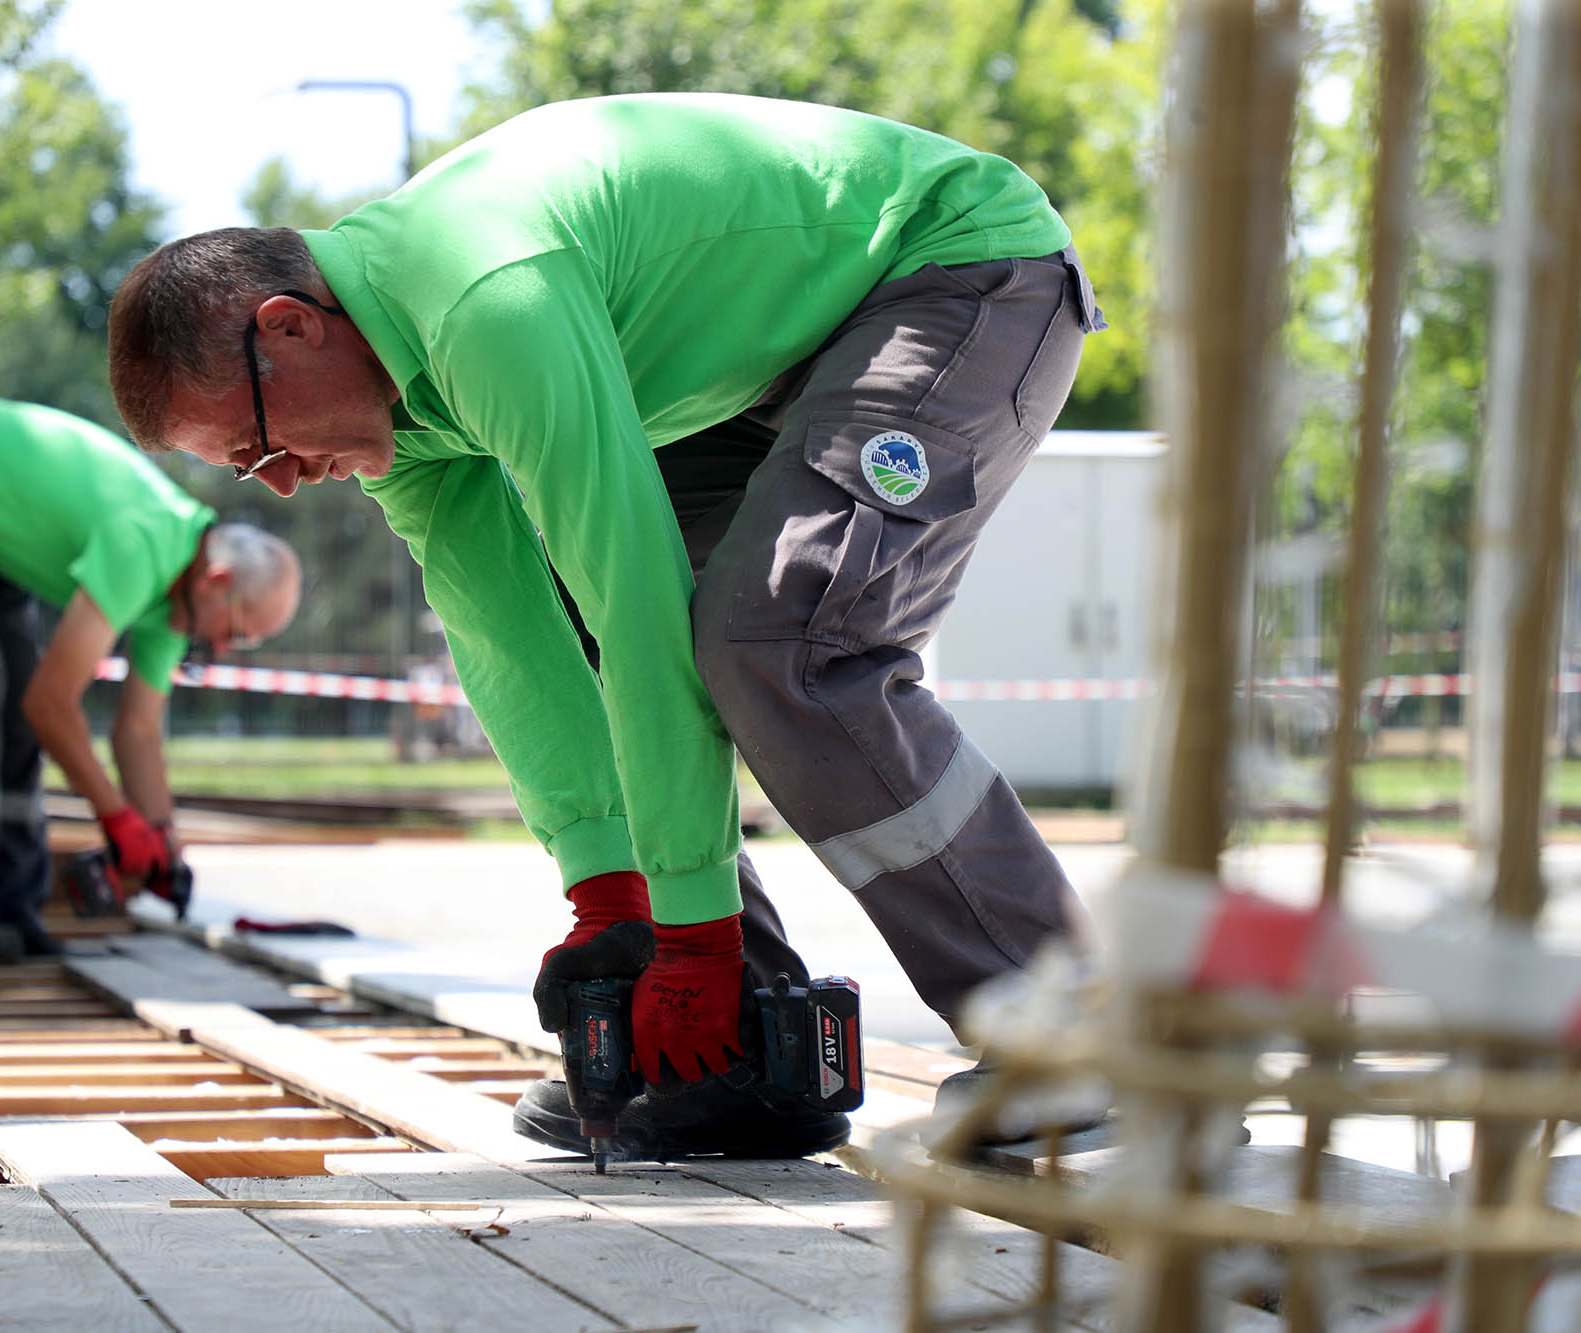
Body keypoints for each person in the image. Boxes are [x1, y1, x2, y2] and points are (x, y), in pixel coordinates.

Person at [106, 93, 1107, 1155]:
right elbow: (516, 654)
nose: (282, 488)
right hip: (779, 360)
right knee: (606, 636)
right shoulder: (404, 414)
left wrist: (692, 932)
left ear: (289, 326)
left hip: (951, 269)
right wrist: (608, 892)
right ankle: (739, 1058)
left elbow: (631, 591)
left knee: (780, 641)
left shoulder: (483, 299)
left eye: (258, 450)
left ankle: (1075, 1037)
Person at [0, 398, 301, 964]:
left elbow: (137, 731)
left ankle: (10, 908)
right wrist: (116, 817)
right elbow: (52, 706)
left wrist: (160, 843)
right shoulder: (144, 543)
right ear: (217, 581)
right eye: (239, 633)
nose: (225, 649)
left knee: (10, 694)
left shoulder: (177, 598)